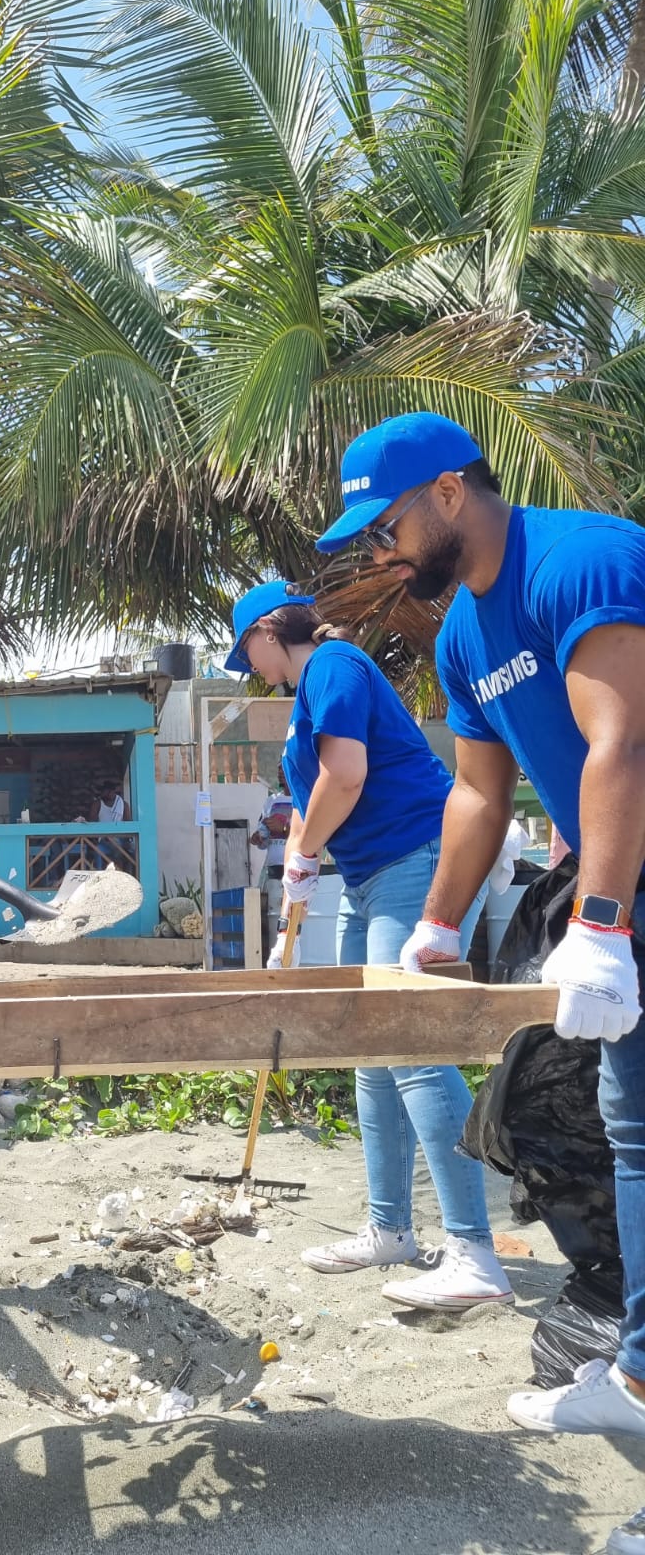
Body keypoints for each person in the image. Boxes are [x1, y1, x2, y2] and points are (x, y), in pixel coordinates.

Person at [315, 410, 645, 1441]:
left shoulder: (581, 562)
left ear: (452, 491)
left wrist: (600, 921)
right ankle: (637, 1375)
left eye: (389, 526)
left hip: (624, 886)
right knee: (629, 1127)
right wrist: (439, 921)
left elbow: (622, 742)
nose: (381, 551)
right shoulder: (464, 631)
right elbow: (476, 795)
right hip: (626, 886)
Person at [225, 578, 508, 1310]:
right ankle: (391, 1231)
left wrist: (301, 854)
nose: (250, 666)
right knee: (371, 1054)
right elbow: (328, 783)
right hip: (370, 877)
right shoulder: (313, 687)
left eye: (247, 650)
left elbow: (344, 776)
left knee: (411, 1045)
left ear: (267, 632)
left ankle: (475, 1251)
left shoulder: (331, 665)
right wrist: (309, 855)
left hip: (418, 863)